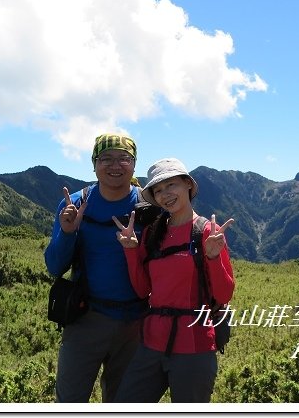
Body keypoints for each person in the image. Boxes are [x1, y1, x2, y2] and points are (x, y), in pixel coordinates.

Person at [112, 157, 235, 403]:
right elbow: (142, 289)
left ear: (188, 184)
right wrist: (131, 251)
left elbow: (223, 296)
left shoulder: (208, 231)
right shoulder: (152, 233)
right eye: (158, 190)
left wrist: (213, 257)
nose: (165, 194)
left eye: (171, 185)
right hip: (151, 344)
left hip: (194, 346)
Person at [43, 133, 148, 403]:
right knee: (70, 402)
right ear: (94, 164)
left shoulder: (148, 206)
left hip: (135, 324)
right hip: (86, 319)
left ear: (134, 164)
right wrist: (67, 232)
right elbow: (54, 265)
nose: (115, 166)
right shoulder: (75, 203)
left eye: (123, 159)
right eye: (106, 159)